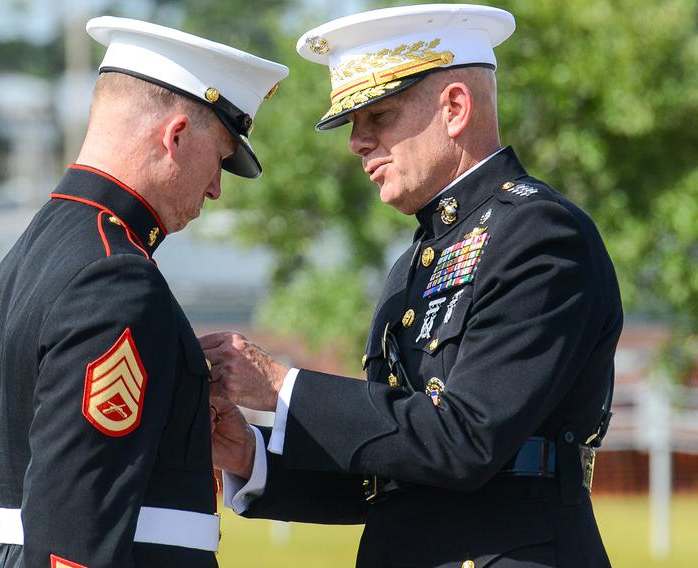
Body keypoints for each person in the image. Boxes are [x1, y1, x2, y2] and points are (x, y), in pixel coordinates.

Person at [203, 4, 621, 567]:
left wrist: (281, 388)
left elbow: (467, 440)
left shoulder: (540, 235)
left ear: (454, 107)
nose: (357, 142)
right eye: (353, 124)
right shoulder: (415, 264)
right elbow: (395, 464)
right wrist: (249, 454)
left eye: (378, 116)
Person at [0, 16, 287, 568]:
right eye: (220, 157)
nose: (217, 188)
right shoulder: (113, 277)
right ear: (175, 135)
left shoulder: (22, 264)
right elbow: (77, 526)